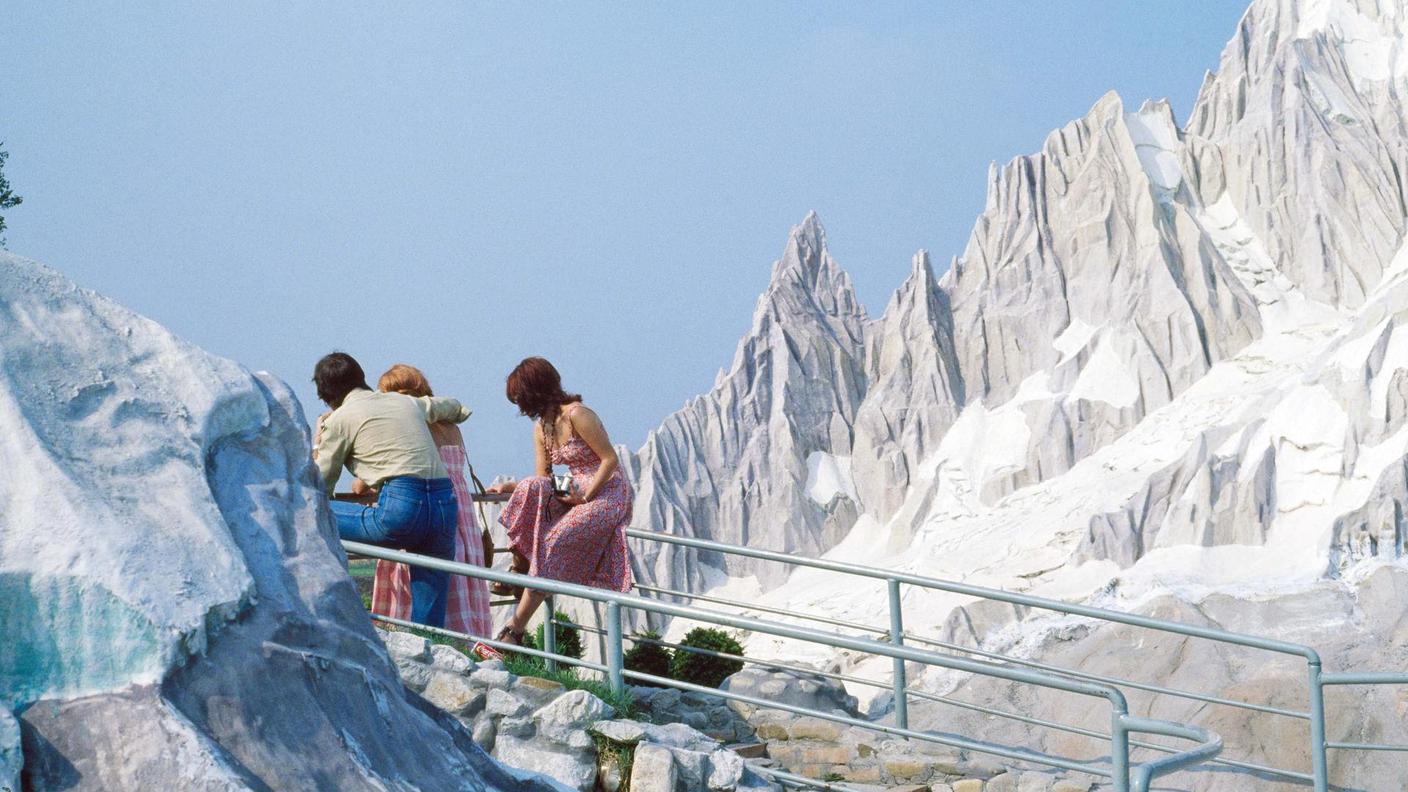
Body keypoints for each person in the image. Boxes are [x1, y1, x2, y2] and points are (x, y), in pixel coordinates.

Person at [312, 352, 469, 628]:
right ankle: (432, 657)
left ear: (327, 396)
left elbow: (319, 487)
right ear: (362, 378)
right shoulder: (403, 402)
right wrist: (460, 412)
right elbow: (447, 406)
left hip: (402, 509)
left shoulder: (339, 420)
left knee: (311, 510)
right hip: (444, 504)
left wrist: (319, 438)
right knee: (429, 621)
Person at [487, 357, 633, 646]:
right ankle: (520, 564)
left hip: (607, 489)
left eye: (521, 397)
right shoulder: (541, 428)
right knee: (530, 485)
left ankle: (514, 630)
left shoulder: (578, 414)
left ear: (536, 390)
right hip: (574, 486)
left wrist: (587, 496)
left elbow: (610, 460)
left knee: (552, 542)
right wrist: (513, 486)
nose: (519, 405)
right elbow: (544, 478)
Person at [364, 364, 493, 639]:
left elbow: (363, 482)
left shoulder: (406, 426)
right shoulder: (450, 426)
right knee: (458, 584)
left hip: (421, 509)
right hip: (459, 515)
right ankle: (467, 643)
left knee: (417, 582)